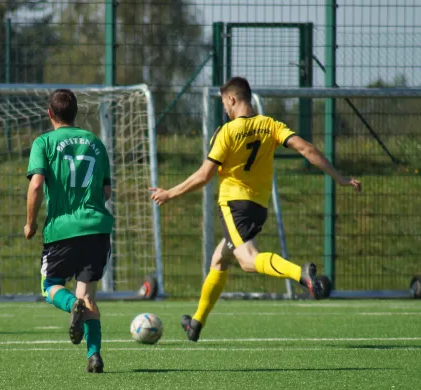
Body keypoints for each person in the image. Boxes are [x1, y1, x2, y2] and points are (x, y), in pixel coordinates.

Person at [150, 77, 362, 342]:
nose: (225, 109)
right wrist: (338, 177)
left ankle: (301, 274)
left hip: (233, 206)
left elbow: (205, 175)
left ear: (232, 99)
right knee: (219, 259)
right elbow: (306, 148)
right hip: (258, 208)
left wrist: (170, 193)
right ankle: (196, 323)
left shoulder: (227, 132)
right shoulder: (270, 125)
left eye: (225, 103)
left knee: (249, 260)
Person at [25, 89, 113, 373]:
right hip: (97, 229)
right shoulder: (96, 143)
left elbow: (36, 185)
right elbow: (106, 190)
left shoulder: (44, 142)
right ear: (76, 113)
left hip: (62, 230)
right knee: (89, 297)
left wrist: (30, 223)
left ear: (50, 113)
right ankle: (94, 355)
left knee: (50, 286)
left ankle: (70, 303)